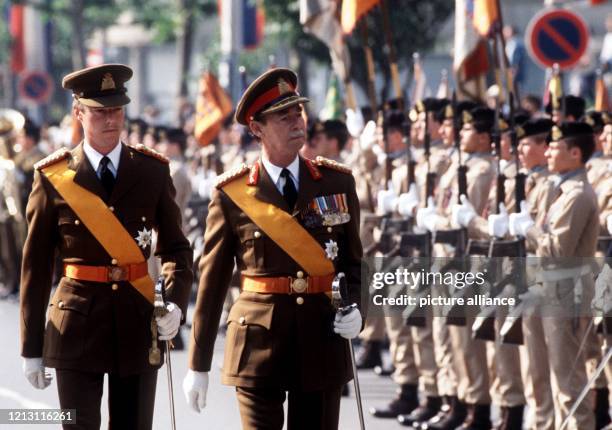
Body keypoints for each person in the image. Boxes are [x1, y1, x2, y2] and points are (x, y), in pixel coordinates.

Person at [183, 67, 364, 429]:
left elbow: (352, 261)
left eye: (298, 112)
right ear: (257, 128)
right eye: (283, 116)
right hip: (257, 344)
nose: (297, 121)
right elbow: (213, 281)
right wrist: (198, 363)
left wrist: (357, 309)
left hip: (320, 336)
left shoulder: (336, 181)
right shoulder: (233, 193)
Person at [19, 63, 193, 430]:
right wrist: (31, 348)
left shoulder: (152, 171)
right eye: (99, 111)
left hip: (137, 322)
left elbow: (177, 249)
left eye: (116, 110)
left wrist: (175, 303)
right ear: (79, 113)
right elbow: (35, 267)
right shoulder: (54, 177)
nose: (110, 120)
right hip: (75, 327)